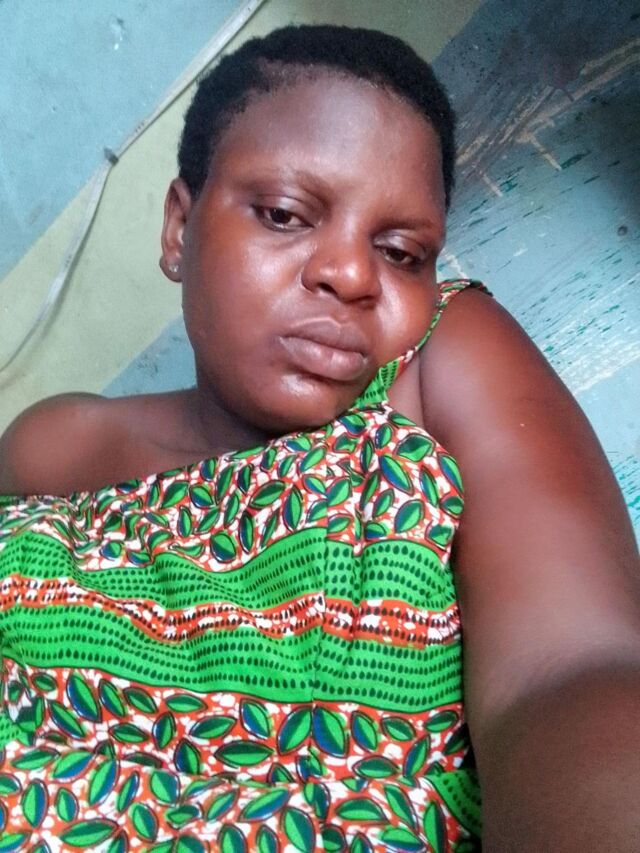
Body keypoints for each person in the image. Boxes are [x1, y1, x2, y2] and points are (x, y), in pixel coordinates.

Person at [0, 24, 638, 853]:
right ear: (179, 230)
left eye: (401, 253)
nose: (352, 273)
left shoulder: (434, 364)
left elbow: (570, 672)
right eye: (285, 215)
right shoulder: (55, 444)